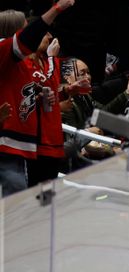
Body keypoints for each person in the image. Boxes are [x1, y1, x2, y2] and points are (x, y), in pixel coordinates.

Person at [0, 0, 74, 196]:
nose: (34, 34)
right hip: (7, 142)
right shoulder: (3, 51)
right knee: (17, 202)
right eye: (25, 28)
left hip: (23, 144)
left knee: (30, 203)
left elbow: (31, 90)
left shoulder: (21, 62)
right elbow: (28, 37)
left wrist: (52, 95)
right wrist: (56, 10)